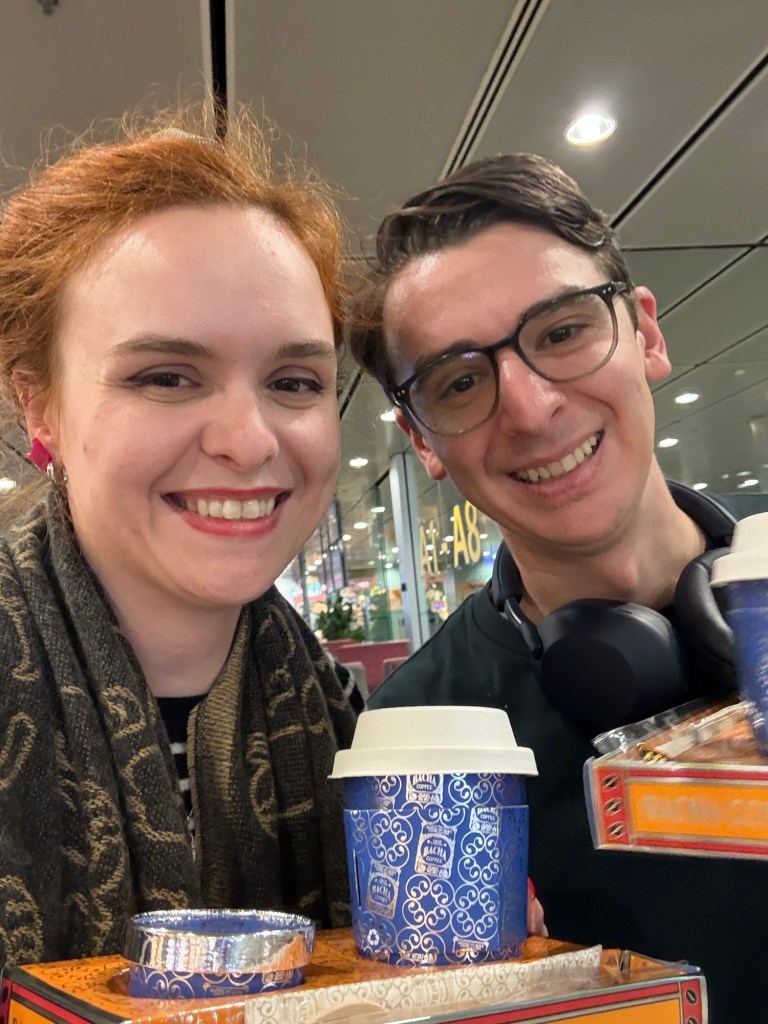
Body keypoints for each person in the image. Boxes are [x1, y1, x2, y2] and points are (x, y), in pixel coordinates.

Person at [347, 153, 768, 1022]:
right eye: (459, 382)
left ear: (645, 333)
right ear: (422, 440)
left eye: (563, 331)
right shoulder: (420, 733)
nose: (531, 408)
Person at [0, 105, 364, 968]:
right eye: (166, 376)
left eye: (294, 380)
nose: (249, 439)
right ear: (39, 404)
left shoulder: (348, 726)